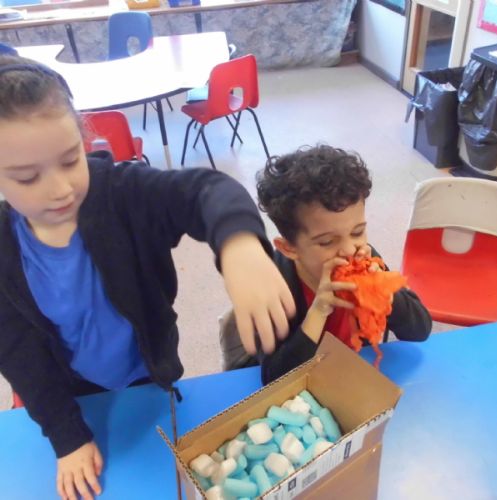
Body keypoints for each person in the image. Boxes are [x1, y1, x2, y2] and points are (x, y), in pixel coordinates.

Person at [0, 54, 295, 500]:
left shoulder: (124, 194)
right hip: (74, 391)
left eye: (70, 160)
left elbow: (205, 191)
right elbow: (20, 355)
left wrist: (239, 246)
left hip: (148, 373)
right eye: (27, 178)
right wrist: (67, 437)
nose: (60, 189)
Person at [220, 145, 432, 383]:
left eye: (357, 232)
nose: (349, 250)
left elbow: (420, 330)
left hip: (352, 375)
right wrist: (319, 310)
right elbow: (275, 379)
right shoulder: (272, 288)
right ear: (289, 248)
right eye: (327, 242)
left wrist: (385, 292)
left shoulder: (365, 257)